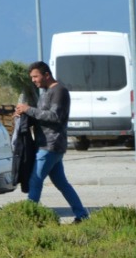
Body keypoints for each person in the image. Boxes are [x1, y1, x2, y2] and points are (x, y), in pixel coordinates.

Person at [17, 61, 90, 222]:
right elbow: (40, 116)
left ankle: (28, 219)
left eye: (36, 76)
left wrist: (28, 109)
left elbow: (55, 116)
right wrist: (24, 115)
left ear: (46, 75)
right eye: (32, 77)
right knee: (62, 184)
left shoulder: (59, 91)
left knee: (35, 181)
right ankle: (82, 215)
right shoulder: (45, 92)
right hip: (47, 145)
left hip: (51, 145)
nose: (33, 80)